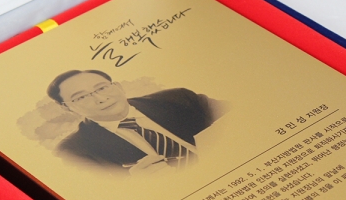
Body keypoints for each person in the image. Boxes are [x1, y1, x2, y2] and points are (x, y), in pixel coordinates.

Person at [47, 70, 224, 175]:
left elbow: (236, 117)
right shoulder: (74, 151)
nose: (101, 98)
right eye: (81, 97)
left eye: (102, 88)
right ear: (67, 108)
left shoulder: (177, 99)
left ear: (118, 87)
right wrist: (136, 185)